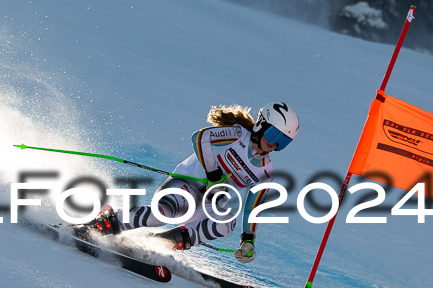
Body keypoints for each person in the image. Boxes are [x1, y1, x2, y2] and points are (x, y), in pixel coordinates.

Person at [75, 102, 299, 263]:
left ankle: (160, 243)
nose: (273, 146)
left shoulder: (266, 172)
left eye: (282, 143)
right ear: (261, 125)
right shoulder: (237, 134)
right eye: (273, 137)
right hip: (184, 186)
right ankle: (101, 224)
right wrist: (212, 173)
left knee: (226, 223)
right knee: (164, 213)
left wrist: (248, 239)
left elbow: (253, 207)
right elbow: (200, 138)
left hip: (207, 205)